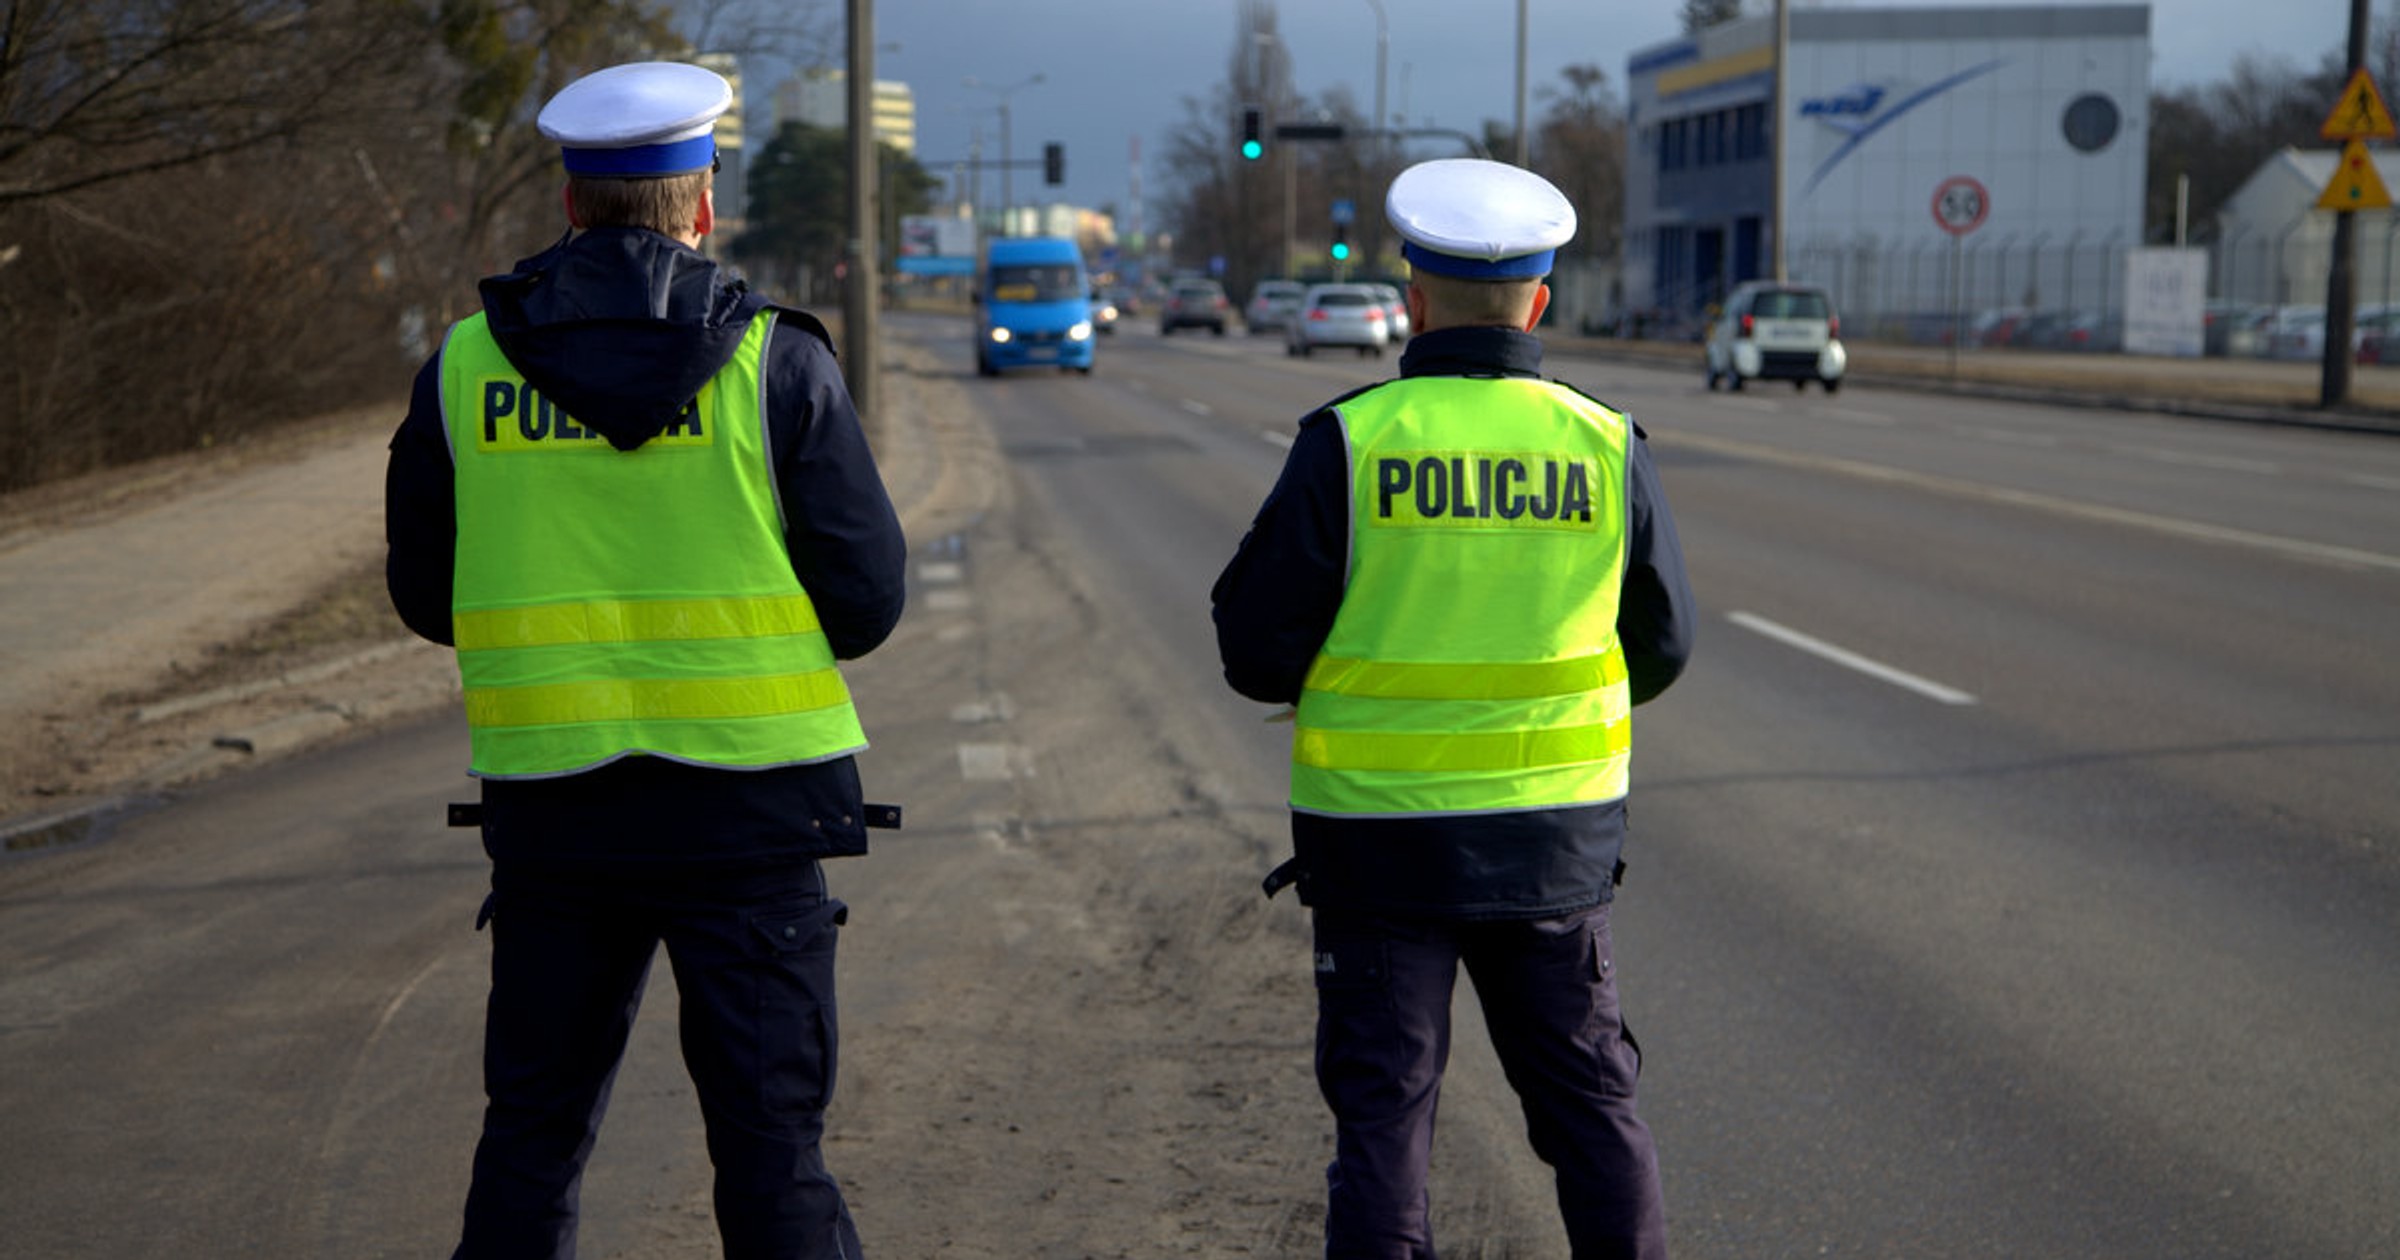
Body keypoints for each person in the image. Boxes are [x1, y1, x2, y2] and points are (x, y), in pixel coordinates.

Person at [384, 61, 907, 1260]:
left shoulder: (464, 368)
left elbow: (428, 594)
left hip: (559, 816)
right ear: (702, 203)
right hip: (754, 817)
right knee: (775, 1158)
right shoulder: (778, 365)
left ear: (571, 206)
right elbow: (868, 602)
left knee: (532, 1138)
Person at [1210, 158, 1695, 1260]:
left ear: (1414, 301)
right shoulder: (1605, 444)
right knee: (1592, 1113)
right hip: (1552, 844)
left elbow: (1252, 648)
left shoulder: (1352, 441)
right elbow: (1660, 645)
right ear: (1542, 302)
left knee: (1386, 1124)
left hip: (1380, 845)